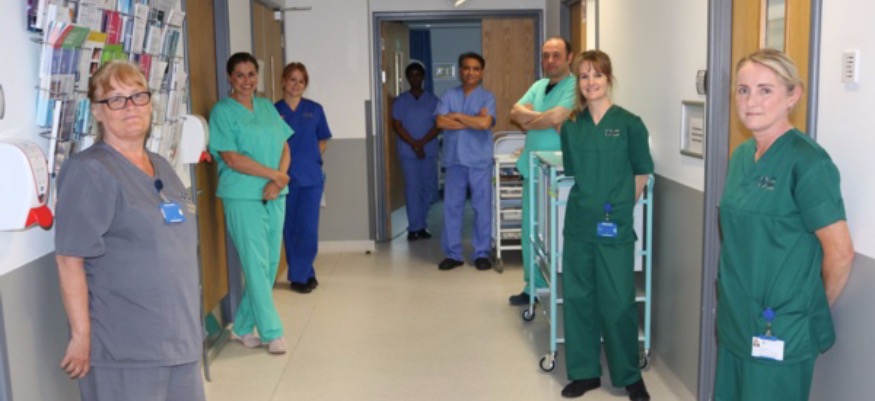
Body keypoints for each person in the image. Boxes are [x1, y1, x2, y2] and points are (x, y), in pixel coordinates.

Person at [54, 60, 205, 400]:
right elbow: (69, 258)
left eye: (138, 96)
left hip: (179, 341)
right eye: (115, 99)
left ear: (150, 104)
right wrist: (81, 336)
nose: (130, 107)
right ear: (97, 111)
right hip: (125, 350)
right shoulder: (89, 171)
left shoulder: (162, 166)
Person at [714, 48, 855, 401]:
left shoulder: (809, 163)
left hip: (779, 328)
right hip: (735, 319)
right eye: (743, 90)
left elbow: (841, 254)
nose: (751, 101)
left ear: (793, 95)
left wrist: (805, 308)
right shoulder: (741, 157)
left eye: (765, 90)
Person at [558, 50, 652, 400]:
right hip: (580, 226)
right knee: (579, 299)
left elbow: (641, 173)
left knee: (618, 303)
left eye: (597, 75)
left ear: (609, 78)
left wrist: (621, 207)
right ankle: (584, 373)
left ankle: (629, 375)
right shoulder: (571, 126)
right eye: (584, 76)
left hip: (614, 228)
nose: (590, 82)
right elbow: (575, 173)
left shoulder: (629, 124)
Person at [209, 52, 293, 354]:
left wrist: (278, 179)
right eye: (240, 75)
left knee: (269, 264)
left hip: (275, 193)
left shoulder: (267, 107)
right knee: (255, 264)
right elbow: (231, 158)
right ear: (229, 78)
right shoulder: (222, 111)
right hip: (243, 195)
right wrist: (274, 175)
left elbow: (285, 146)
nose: (247, 81)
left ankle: (243, 325)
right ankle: (272, 332)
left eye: (251, 74)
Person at [507, 37, 577, 306]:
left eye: (556, 55)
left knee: (557, 232)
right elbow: (515, 112)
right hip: (532, 169)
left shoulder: (576, 86)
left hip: (559, 173)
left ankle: (561, 286)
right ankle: (533, 287)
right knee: (531, 230)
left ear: (569, 57)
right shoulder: (538, 85)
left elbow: (557, 117)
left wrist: (531, 119)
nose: (550, 60)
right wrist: (541, 119)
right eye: (546, 55)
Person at [435, 51, 496, 271]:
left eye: (475, 69)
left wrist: (457, 115)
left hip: (479, 161)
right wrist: (473, 119)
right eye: (467, 68)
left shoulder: (487, 97)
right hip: (454, 160)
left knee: (482, 208)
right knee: (452, 208)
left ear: (482, 72)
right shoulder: (449, 95)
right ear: (460, 71)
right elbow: (440, 122)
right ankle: (453, 254)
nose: (471, 72)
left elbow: (485, 124)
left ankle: (481, 253)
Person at [275, 62, 332, 294]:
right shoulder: (273, 111)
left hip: (310, 178)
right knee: (290, 228)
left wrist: (312, 158)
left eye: (301, 81)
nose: (296, 85)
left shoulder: (314, 109)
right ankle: (304, 274)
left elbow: (323, 138)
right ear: (283, 81)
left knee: (308, 229)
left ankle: (301, 274)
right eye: (292, 79)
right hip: (284, 178)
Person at [392, 61, 441, 241]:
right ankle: (413, 228)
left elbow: (439, 125)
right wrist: (414, 144)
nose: (414, 78)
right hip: (408, 152)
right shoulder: (401, 101)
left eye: (417, 75)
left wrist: (422, 143)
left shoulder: (433, 100)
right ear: (407, 78)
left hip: (428, 150)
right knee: (412, 188)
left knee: (426, 188)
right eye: (411, 75)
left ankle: (422, 225)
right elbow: (397, 125)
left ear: (423, 77)